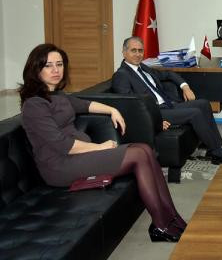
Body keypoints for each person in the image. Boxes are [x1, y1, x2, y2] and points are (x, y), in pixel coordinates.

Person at [20, 44, 186, 242]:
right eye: (48, 66)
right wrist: (100, 147)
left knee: (144, 149)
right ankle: (161, 225)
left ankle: (172, 218)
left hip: (78, 157)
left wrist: (111, 110)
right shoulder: (34, 105)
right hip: (60, 165)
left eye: (59, 64)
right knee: (139, 154)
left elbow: (85, 104)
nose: (56, 70)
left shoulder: (57, 96)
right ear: (36, 69)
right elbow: (62, 144)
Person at [111, 36, 222, 165]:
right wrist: (154, 121)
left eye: (140, 51)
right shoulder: (121, 75)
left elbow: (168, 74)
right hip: (156, 113)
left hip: (168, 105)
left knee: (204, 104)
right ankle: (217, 151)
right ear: (124, 52)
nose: (138, 54)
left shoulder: (143, 68)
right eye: (133, 50)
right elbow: (129, 105)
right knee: (195, 113)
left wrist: (185, 87)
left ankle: (213, 147)